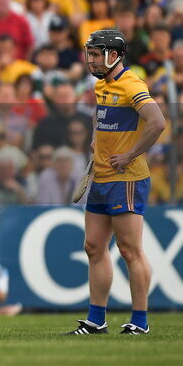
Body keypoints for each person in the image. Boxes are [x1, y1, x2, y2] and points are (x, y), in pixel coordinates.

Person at [66, 29, 165, 336]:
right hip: (102, 177)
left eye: (96, 54)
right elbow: (102, 117)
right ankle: (97, 321)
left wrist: (131, 154)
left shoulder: (132, 84)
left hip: (127, 178)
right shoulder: (103, 85)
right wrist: (97, 140)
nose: (91, 59)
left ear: (113, 55)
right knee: (94, 247)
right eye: (90, 54)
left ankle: (140, 321)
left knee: (129, 250)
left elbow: (158, 122)